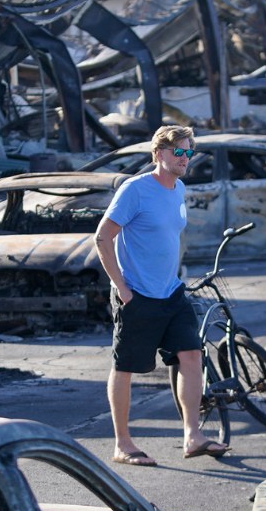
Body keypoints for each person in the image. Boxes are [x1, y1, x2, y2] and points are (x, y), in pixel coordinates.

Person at [94, 124, 229, 467]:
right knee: (125, 367)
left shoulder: (178, 189)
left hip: (171, 292)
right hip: (136, 295)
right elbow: (102, 238)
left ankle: (192, 436)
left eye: (188, 152)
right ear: (158, 154)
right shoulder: (135, 190)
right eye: (177, 152)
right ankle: (122, 444)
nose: (184, 158)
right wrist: (122, 289)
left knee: (191, 355)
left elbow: (169, 236)